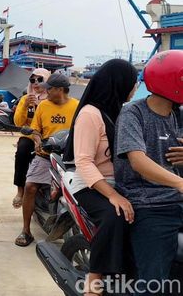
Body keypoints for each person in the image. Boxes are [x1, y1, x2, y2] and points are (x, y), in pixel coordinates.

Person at [62, 59, 138, 295]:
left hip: (117, 182)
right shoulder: (90, 114)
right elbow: (83, 161)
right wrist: (113, 195)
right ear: (118, 84)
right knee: (114, 215)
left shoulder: (119, 112)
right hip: (88, 184)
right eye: (133, 83)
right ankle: (93, 282)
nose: (135, 88)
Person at [114, 50, 183, 294]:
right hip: (149, 203)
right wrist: (179, 183)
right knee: (154, 283)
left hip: (176, 199)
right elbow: (138, 161)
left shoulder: (177, 114)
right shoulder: (133, 113)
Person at [15, 72, 79, 246]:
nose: (46, 92)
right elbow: (35, 129)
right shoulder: (43, 106)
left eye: (49, 89)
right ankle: (26, 231)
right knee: (30, 187)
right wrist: (37, 141)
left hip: (71, 157)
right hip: (45, 155)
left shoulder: (78, 106)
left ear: (59, 89)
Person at [11, 68, 51, 208]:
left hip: (48, 135)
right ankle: (20, 191)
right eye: (32, 80)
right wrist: (25, 106)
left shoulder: (51, 99)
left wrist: (40, 105)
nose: (35, 83)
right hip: (29, 135)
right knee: (21, 152)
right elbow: (18, 122)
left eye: (40, 79)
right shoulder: (25, 98)